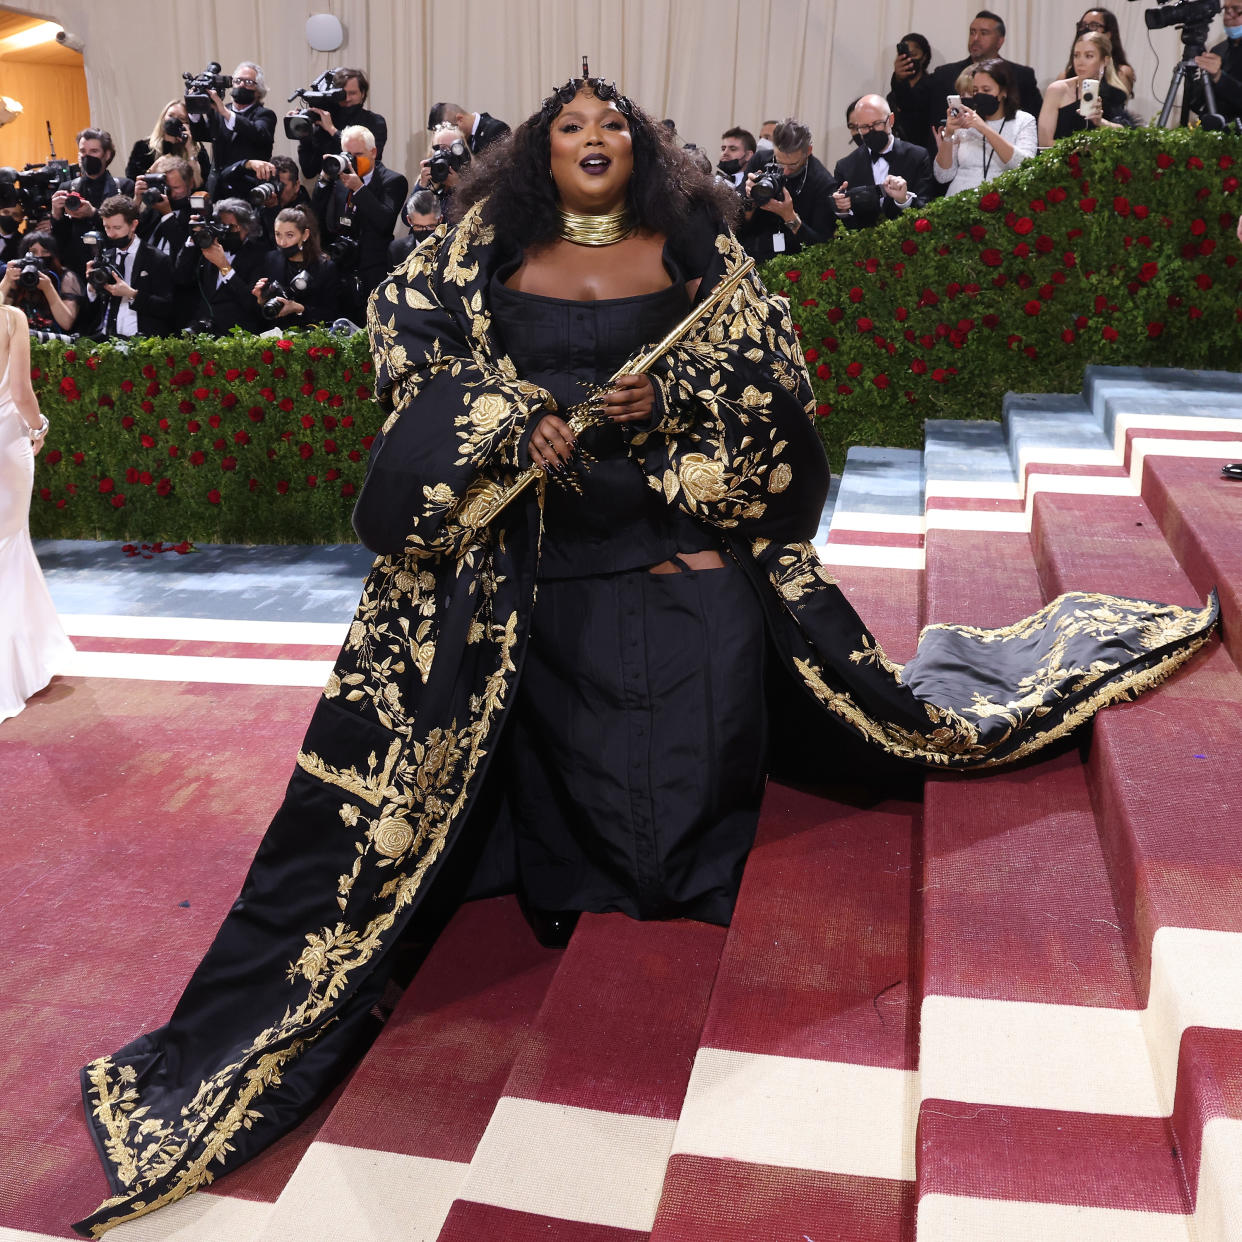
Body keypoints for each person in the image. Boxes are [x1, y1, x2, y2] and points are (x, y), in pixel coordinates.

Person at [72, 70, 1218, 1238]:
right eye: (570, 126)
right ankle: (563, 870)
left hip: (674, 527)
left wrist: (667, 398)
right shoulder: (475, 248)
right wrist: (516, 418)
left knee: (700, 687)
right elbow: (407, 352)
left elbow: (775, 377)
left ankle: (681, 857)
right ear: (535, 153)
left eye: (611, 123)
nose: (594, 137)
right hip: (530, 543)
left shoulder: (695, 246)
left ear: (642, 145)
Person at [0, 297, 73, 723]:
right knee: (8, 547)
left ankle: (25, 659)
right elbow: (22, 392)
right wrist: (40, 428)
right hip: (7, 444)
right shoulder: (10, 319)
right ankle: (14, 668)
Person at [312, 123, 407, 315]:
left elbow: (384, 222)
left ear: (373, 152)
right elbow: (316, 214)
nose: (351, 161)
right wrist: (324, 179)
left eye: (357, 155)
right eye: (347, 155)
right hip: (340, 267)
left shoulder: (393, 181)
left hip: (373, 270)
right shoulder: (339, 180)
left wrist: (359, 189)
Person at [738, 117, 837, 262]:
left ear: (808, 151)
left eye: (792, 165)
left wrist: (789, 216)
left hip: (795, 264)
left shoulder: (822, 183)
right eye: (779, 163)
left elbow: (820, 246)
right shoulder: (761, 160)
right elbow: (736, 222)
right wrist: (750, 199)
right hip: (752, 254)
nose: (784, 172)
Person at [933, 58, 1037, 196]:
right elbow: (942, 176)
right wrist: (948, 135)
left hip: (1001, 200)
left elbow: (1025, 165)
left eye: (986, 90)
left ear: (1004, 91)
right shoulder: (965, 121)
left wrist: (984, 128)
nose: (980, 95)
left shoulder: (1024, 121)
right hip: (959, 199)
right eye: (975, 90)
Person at [832, 94, 935, 229]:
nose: (871, 131)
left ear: (891, 120)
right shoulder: (845, 167)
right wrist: (842, 209)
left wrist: (904, 200)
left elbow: (927, 209)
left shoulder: (918, 157)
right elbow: (843, 226)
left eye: (877, 124)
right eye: (864, 127)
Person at [82, 195, 174, 338]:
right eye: (107, 227)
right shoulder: (104, 257)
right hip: (106, 341)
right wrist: (92, 289)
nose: (111, 234)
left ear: (133, 225)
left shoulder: (156, 259)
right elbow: (90, 312)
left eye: (117, 227)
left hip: (143, 343)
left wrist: (132, 294)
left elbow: (167, 308)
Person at [174, 197, 270, 335]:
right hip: (204, 333)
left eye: (232, 227)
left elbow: (252, 303)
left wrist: (224, 266)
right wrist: (193, 238)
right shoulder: (209, 246)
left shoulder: (260, 255)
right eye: (223, 226)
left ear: (247, 227)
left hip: (238, 336)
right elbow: (181, 278)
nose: (227, 232)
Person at [49, 128, 134, 277]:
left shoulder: (124, 187)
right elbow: (59, 241)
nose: (87, 156)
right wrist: (56, 215)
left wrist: (93, 213)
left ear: (107, 154)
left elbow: (128, 232)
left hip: (116, 267)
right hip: (76, 270)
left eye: (94, 151)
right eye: (83, 151)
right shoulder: (67, 188)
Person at [930, 10, 1043, 119]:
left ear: (1000, 41)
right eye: (972, 32)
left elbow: (1035, 117)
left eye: (984, 33)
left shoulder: (1021, 75)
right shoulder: (944, 74)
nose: (975, 38)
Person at [189, 62, 277, 189]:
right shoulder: (219, 112)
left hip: (247, 188)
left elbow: (258, 132)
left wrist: (225, 113)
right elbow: (202, 134)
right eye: (238, 80)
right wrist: (195, 109)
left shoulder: (265, 115)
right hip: (218, 189)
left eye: (248, 82)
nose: (242, 84)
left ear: (258, 91)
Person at [251, 204, 341, 328]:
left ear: (305, 235)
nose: (282, 242)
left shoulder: (325, 268)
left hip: (312, 339)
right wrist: (261, 301)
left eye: (289, 235)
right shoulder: (271, 259)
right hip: (276, 337)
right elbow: (259, 316)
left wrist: (299, 309)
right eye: (278, 234)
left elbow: (331, 314)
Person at [1040, 31, 1133, 146]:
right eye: (1076, 55)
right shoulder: (1058, 90)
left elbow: (1126, 136)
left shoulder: (1114, 94)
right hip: (1060, 161)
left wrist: (1100, 122)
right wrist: (1081, 147)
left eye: (1089, 56)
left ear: (1105, 61)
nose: (1080, 62)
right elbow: (1044, 143)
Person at [294, 66, 388, 178]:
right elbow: (308, 171)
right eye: (342, 94)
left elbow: (367, 164)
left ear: (362, 93)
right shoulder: (323, 123)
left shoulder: (375, 122)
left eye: (352, 93)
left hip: (362, 189)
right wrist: (304, 133)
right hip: (328, 191)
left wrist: (333, 131)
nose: (347, 98)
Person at [0, 232, 82, 333]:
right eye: (33, 252)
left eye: (45, 251)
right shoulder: (16, 275)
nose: (39, 256)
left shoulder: (66, 277)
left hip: (53, 340)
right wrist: (7, 281)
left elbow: (66, 323)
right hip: (19, 337)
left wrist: (48, 289)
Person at [125, 99, 211, 189]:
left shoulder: (197, 148)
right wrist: (153, 168)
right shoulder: (143, 147)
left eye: (181, 118)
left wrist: (189, 148)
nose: (174, 120)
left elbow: (202, 184)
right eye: (171, 115)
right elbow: (132, 181)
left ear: (187, 124)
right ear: (163, 118)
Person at [888, 32, 940, 156]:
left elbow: (912, 104)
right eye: (904, 55)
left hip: (925, 153)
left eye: (913, 55)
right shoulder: (893, 93)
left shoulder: (933, 86)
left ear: (924, 57)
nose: (908, 59)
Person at [1190, 3, 1242, 126]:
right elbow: (1197, 103)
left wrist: (1219, 77)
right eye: (1225, 10)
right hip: (1212, 133)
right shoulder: (1218, 50)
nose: (1228, 16)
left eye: (1236, 10)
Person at [1071, 9, 1136, 95]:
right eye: (1083, 25)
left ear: (1108, 34)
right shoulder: (1065, 77)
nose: (1086, 29)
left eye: (1093, 25)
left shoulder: (1122, 73)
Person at [427, 99, 510, 154]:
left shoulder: (496, 130)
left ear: (460, 119)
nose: (448, 135)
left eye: (450, 129)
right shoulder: (459, 141)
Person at [387, 188, 442, 267]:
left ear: (440, 219)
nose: (425, 231)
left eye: (430, 226)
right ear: (409, 220)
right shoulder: (396, 250)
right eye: (419, 226)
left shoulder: (452, 249)